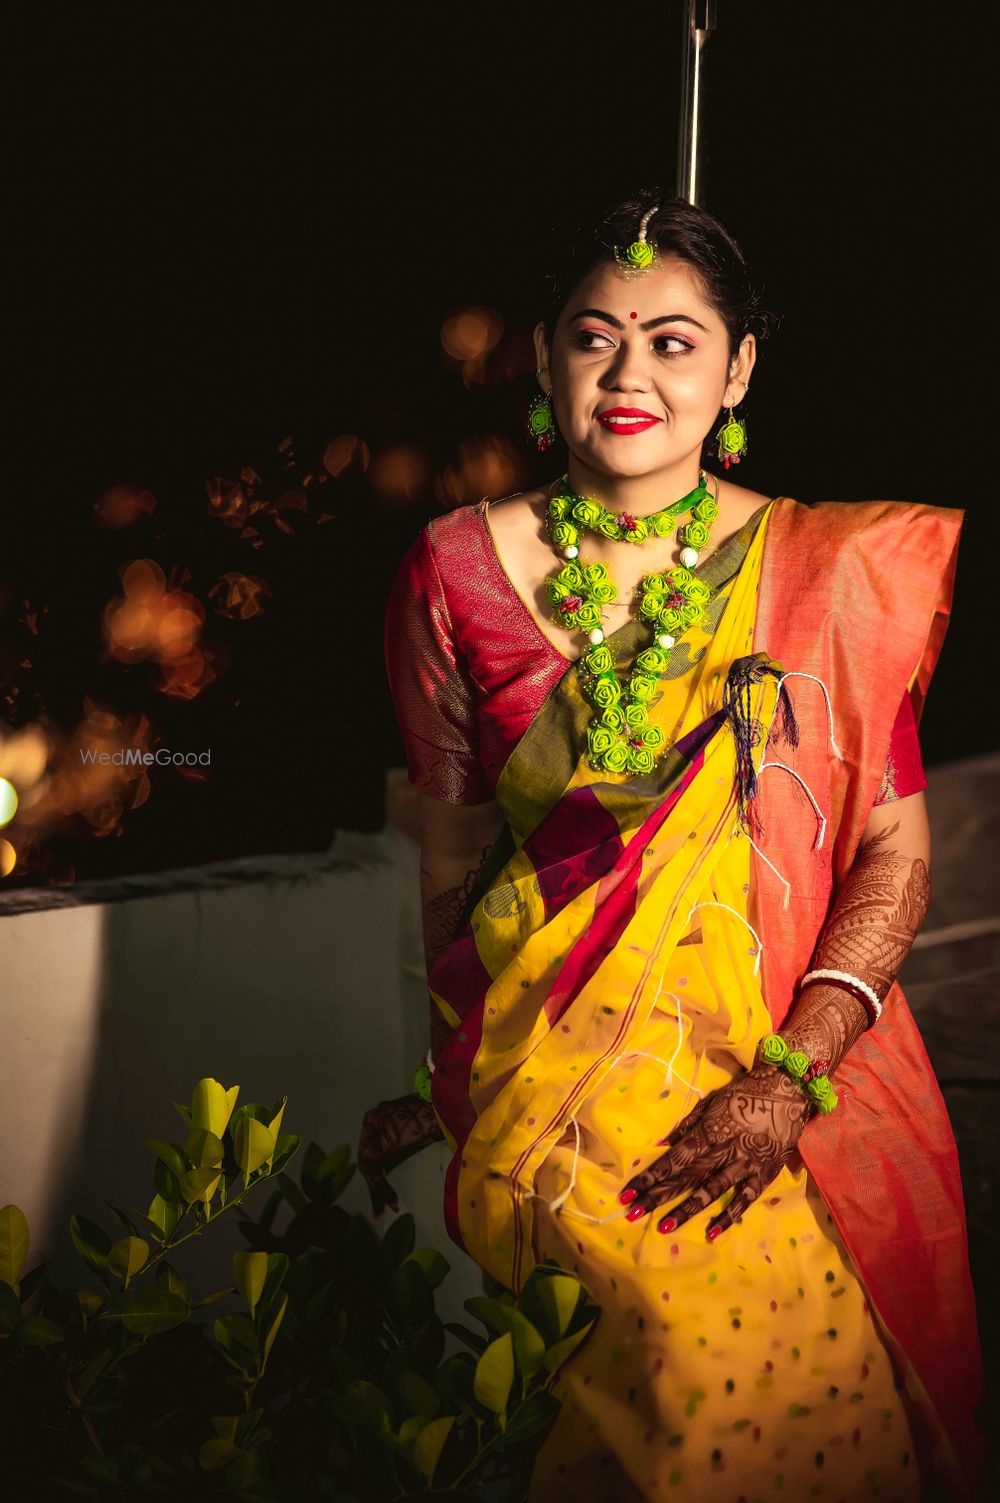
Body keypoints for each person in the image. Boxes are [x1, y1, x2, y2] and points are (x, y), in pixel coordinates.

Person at [362, 193, 986, 1502]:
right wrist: (459, 1076)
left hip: (753, 1114)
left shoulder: (824, 576)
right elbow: (453, 859)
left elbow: (894, 854)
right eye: (595, 338)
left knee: (787, 1430)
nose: (631, 373)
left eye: (673, 340)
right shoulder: (456, 573)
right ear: (544, 359)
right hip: (552, 1125)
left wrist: (790, 1079)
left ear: (738, 366)